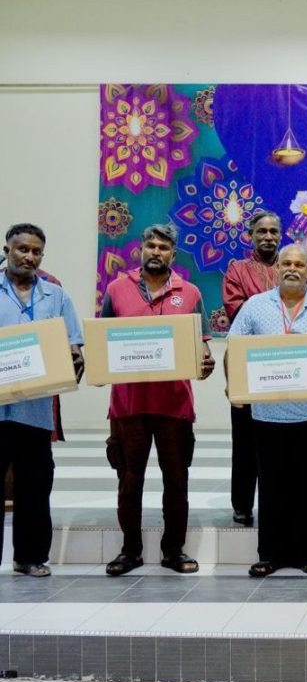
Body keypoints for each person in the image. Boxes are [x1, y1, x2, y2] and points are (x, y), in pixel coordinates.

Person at [228, 244, 307, 577]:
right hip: (267, 416)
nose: (292, 268)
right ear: (277, 268)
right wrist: (233, 385)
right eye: (286, 263)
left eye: (299, 263)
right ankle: (269, 553)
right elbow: (234, 349)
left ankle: (305, 552)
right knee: (271, 485)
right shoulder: (255, 307)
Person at [102, 223, 216, 576]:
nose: (156, 251)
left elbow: (203, 347)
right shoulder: (116, 289)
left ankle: (173, 551)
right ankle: (130, 551)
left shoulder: (192, 293)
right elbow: (104, 341)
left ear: (173, 254)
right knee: (129, 481)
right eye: (150, 245)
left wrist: (206, 362)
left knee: (176, 481)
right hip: (128, 406)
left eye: (164, 247)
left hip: (174, 406)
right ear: (140, 249)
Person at [0, 224, 84, 577]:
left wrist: (73, 361)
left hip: (36, 412)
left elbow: (75, 349)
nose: (29, 256)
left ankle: (31, 557)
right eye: (22, 249)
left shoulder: (56, 297)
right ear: (7, 249)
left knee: (35, 486)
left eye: (36, 252)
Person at [222, 210, 282, 527]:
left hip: (286, 366)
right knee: (245, 441)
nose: (268, 237)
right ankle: (242, 504)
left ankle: (278, 503)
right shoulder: (237, 270)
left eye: (273, 231)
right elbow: (239, 312)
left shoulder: (290, 268)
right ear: (251, 235)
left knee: (279, 442)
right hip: (248, 366)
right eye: (262, 231)